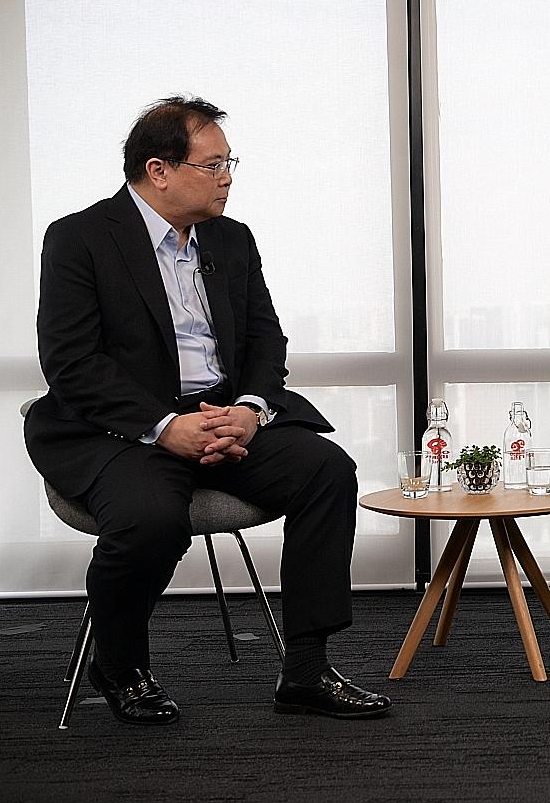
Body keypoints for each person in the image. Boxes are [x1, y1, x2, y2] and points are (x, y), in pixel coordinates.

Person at [24, 97, 391, 725]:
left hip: (224, 414)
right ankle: (121, 666)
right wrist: (167, 428)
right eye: (213, 163)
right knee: (147, 516)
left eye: (230, 163)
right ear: (159, 170)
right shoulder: (79, 239)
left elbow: (264, 338)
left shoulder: (231, 238)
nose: (227, 176)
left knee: (326, 470)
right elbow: (73, 364)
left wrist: (249, 410)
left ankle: (305, 670)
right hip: (121, 428)